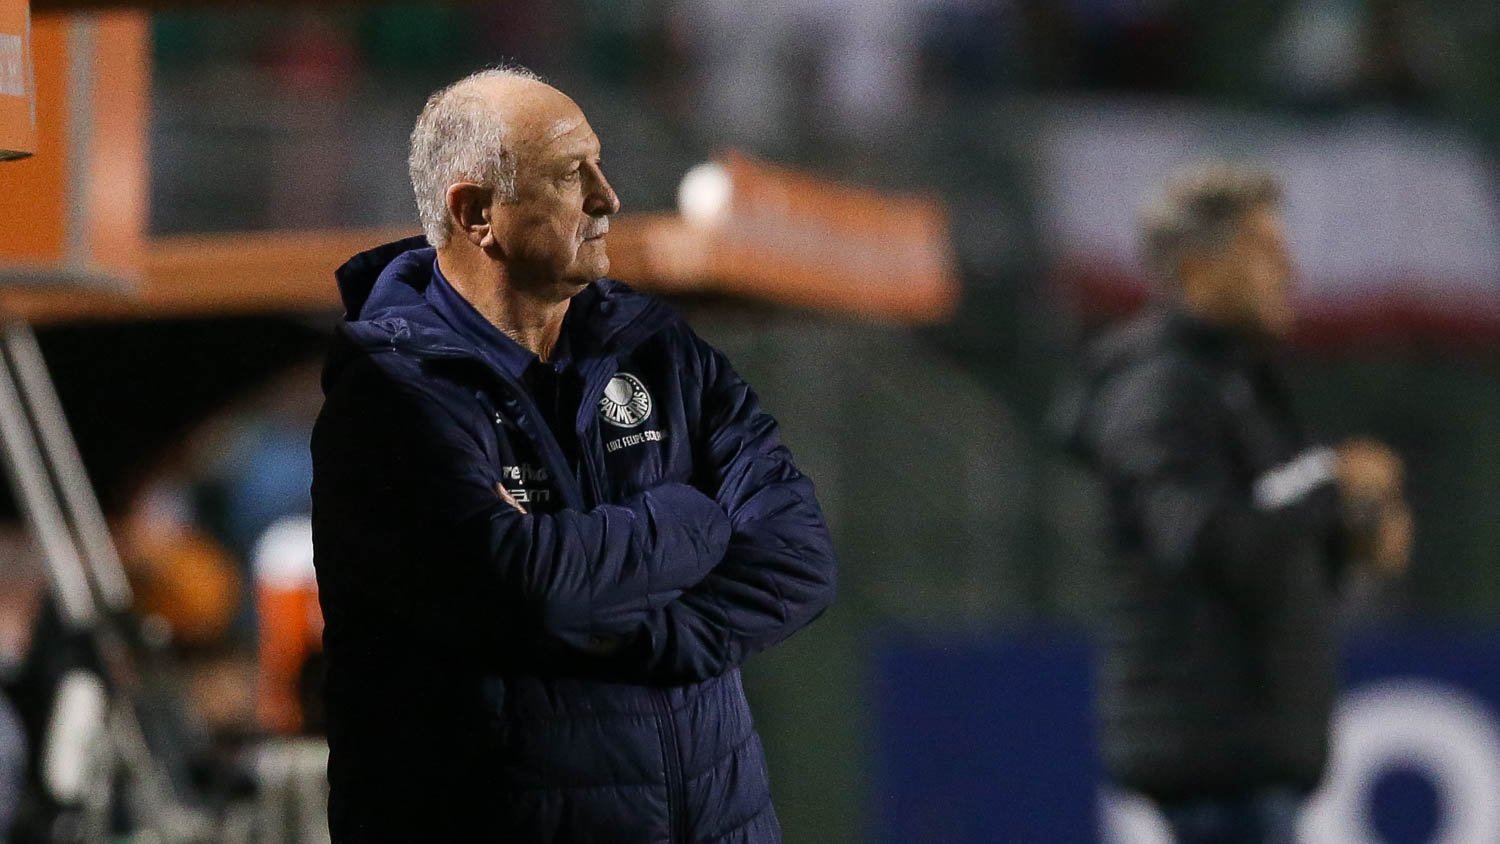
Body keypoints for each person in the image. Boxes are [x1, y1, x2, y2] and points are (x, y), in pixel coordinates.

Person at [310, 67, 837, 842]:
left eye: (598, 163)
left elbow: (799, 556)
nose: (607, 197)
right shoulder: (390, 394)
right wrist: (694, 518)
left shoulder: (659, 349)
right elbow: (530, 592)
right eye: (569, 175)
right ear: (476, 213)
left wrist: (647, 635)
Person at [1058, 162, 1411, 844]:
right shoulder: (1162, 389)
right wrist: (1330, 489)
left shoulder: (1241, 382)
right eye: (1264, 250)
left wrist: (1355, 526)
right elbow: (1200, 539)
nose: (1289, 270)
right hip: (1213, 759)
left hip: (1251, 756)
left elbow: (1278, 544)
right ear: (1197, 269)